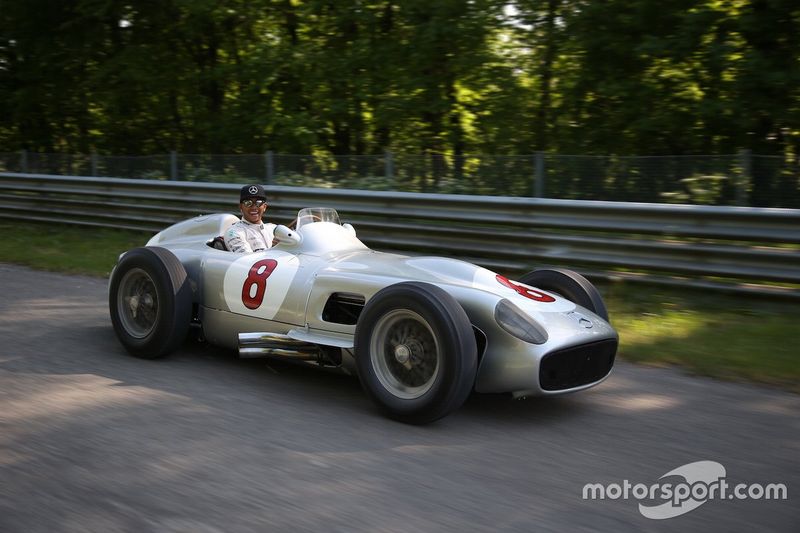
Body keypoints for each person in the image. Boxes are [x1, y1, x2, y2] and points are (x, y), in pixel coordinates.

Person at [224, 184, 277, 253]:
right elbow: (248, 261)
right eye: (248, 203)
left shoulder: (274, 229)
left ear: (264, 207)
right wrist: (274, 249)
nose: (254, 207)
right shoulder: (233, 232)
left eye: (258, 203)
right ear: (240, 207)